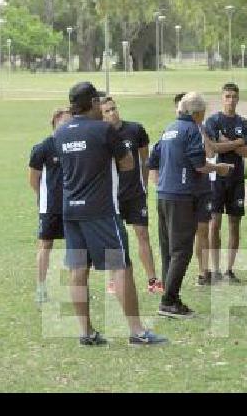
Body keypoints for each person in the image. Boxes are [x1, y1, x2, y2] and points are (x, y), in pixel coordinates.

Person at [54, 81, 167, 346]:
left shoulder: (60, 133)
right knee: (120, 267)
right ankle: (137, 331)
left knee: (78, 269)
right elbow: (128, 164)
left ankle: (86, 333)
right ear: (93, 103)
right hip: (102, 212)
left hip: (71, 212)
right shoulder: (103, 130)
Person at [155, 92, 233, 318]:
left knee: (168, 250)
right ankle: (169, 301)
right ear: (198, 112)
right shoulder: (192, 130)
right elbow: (199, 165)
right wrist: (220, 168)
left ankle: (171, 296)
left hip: (163, 194)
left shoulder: (169, 128)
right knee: (181, 250)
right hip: (181, 196)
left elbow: (157, 158)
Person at [99, 96, 163, 294]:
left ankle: (153, 280)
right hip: (112, 197)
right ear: (100, 116)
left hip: (135, 194)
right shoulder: (100, 136)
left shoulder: (135, 130)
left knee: (143, 234)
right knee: (114, 239)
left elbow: (146, 160)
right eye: (107, 111)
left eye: (114, 108)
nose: (113, 113)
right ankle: (113, 280)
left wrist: (143, 185)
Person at [205, 83, 247, 283]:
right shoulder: (213, 121)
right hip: (216, 179)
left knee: (234, 224)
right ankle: (215, 269)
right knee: (214, 224)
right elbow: (213, 148)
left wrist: (227, 143)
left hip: (237, 179)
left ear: (238, 98)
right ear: (221, 98)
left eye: (234, 96)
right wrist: (237, 142)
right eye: (227, 96)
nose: (231, 100)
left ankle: (229, 270)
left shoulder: (244, 123)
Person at [29, 107, 72, 304]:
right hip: (50, 207)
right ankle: (41, 287)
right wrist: (42, 197)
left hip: (73, 204)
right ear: (55, 122)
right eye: (64, 121)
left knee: (75, 246)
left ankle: (76, 288)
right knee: (46, 244)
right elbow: (34, 179)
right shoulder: (43, 148)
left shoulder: (74, 145)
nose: (67, 126)